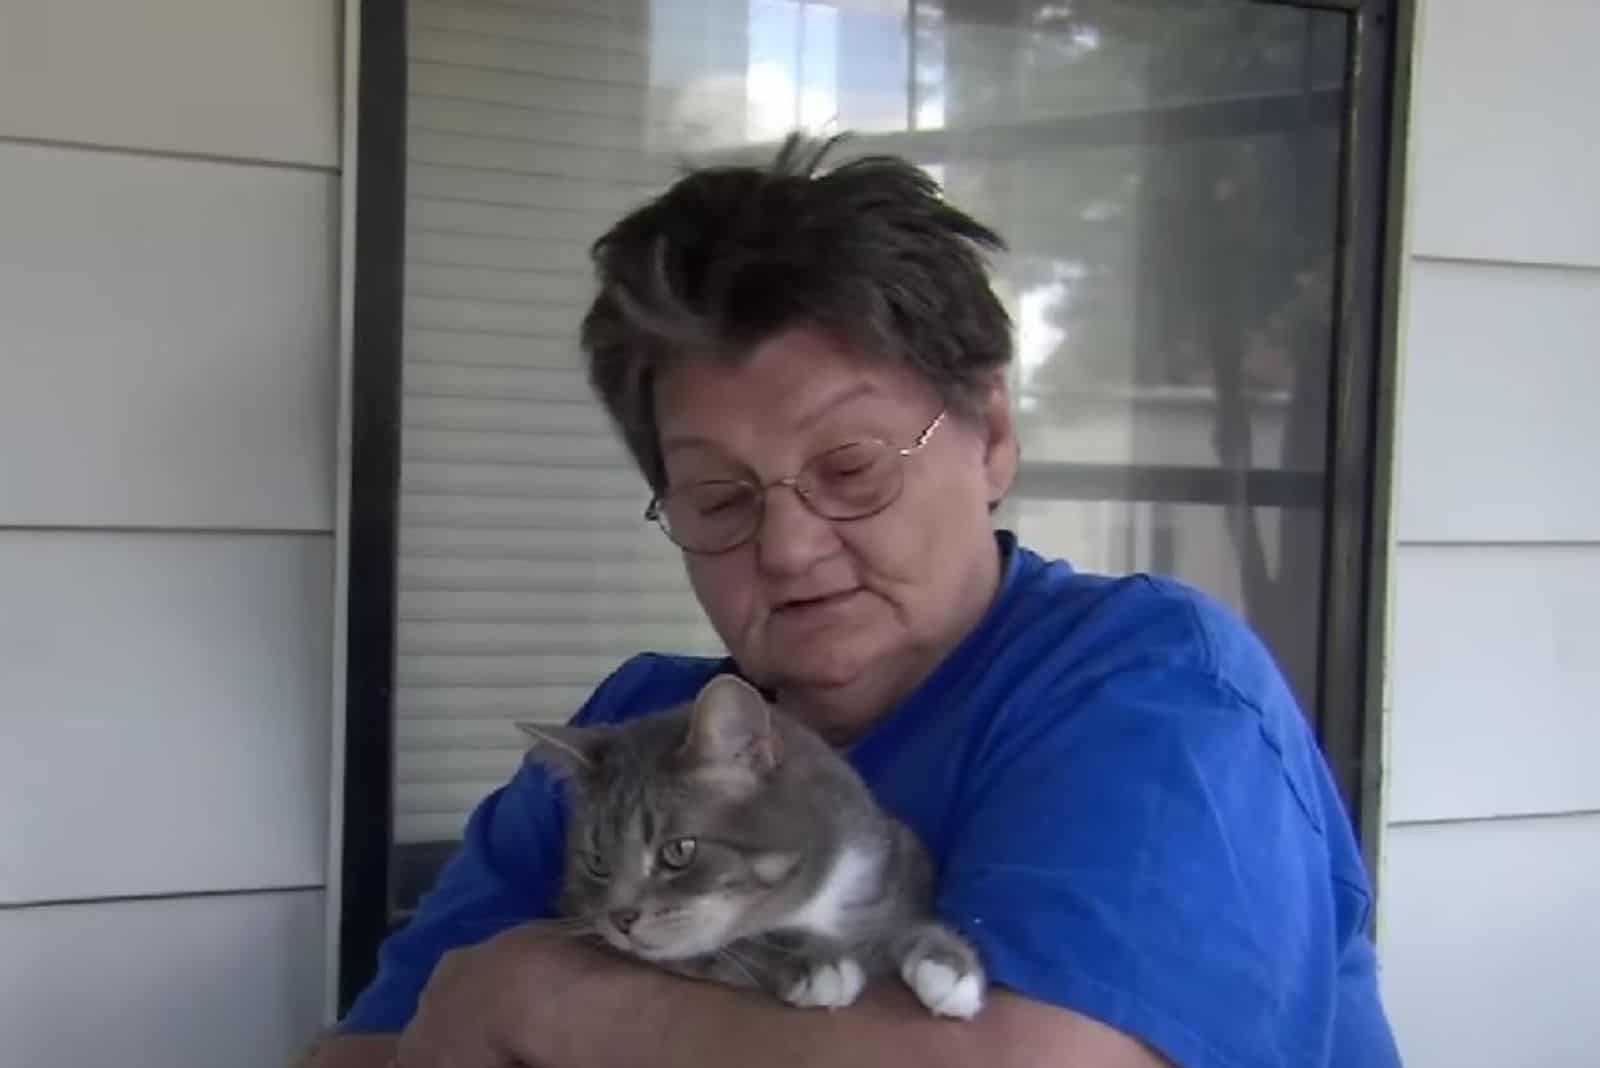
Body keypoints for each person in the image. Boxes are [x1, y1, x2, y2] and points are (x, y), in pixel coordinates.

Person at [307, 134, 1401, 1068]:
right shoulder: (637, 734)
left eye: (850, 468)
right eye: (720, 497)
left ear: (994, 438)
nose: (787, 547)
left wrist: (544, 997)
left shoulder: (1147, 685)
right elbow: (371, 1053)